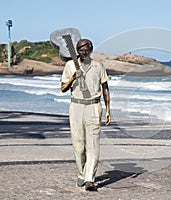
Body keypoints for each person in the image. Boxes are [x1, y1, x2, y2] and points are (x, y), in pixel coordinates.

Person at [60, 39, 111, 191]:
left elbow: (105, 88)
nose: (84, 51)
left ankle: (90, 179)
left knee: (93, 144)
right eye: (81, 49)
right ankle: (82, 173)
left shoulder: (98, 66)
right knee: (79, 145)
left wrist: (108, 109)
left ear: (91, 49)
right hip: (76, 106)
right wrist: (73, 77)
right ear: (76, 50)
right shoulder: (70, 65)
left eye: (86, 49)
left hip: (94, 106)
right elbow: (63, 88)